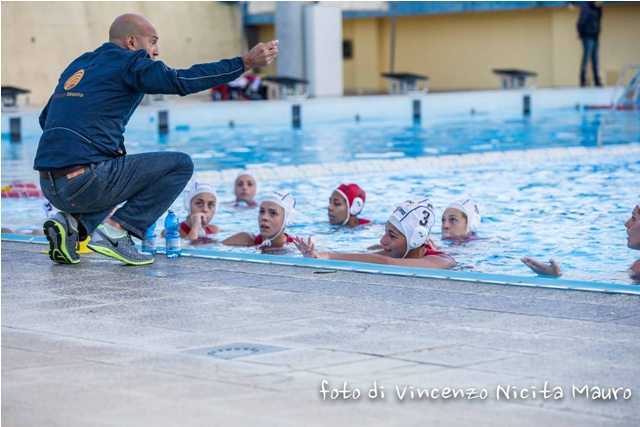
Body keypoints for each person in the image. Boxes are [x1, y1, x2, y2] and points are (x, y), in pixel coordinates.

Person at [35, 13, 278, 266]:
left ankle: (72, 226)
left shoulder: (80, 64)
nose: (156, 51)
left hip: (50, 184)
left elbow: (46, 119)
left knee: (119, 165)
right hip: (87, 182)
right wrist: (245, 62)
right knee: (179, 165)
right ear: (131, 42)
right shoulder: (131, 63)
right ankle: (118, 231)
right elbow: (182, 80)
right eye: (152, 42)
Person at [295, 199, 455, 269]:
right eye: (385, 232)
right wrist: (317, 255)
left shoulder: (440, 261)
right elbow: (363, 256)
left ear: (416, 239)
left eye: (392, 236)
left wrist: (328, 256)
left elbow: (386, 263)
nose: (383, 241)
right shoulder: (401, 251)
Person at [522, 204, 640, 282]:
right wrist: (556, 275)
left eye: (634, 218)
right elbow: (614, 280)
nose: (626, 223)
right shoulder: (637, 266)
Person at [222, 191, 297, 251]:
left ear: (286, 220)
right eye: (262, 211)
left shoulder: (296, 247)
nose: (264, 217)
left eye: (273, 213)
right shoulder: (246, 240)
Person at [576, 2, 603, 87]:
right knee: (586, 58)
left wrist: (599, 8)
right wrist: (581, 34)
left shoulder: (597, 8)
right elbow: (580, 22)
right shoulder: (586, 7)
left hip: (595, 36)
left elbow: (598, 20)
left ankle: (597, 80)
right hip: (587, 36)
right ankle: (582, 80)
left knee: (595, 59)